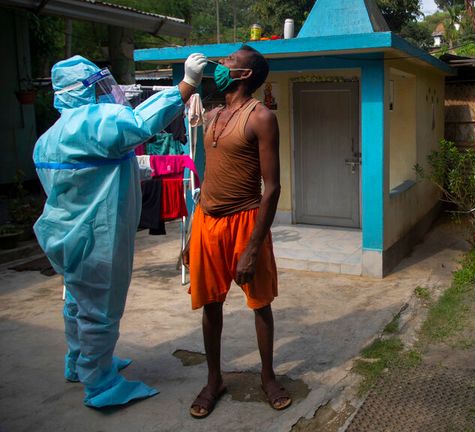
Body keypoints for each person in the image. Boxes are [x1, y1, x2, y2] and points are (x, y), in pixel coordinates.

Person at [33, 53, 207, 408]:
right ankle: (100, 384)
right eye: (97, 85)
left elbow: (95, 172)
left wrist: (143, 169)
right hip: (95, 236)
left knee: (76, 302)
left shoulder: (52, 136)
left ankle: (79, 362)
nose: (104, 92)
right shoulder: (91, 123)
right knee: (100, 309)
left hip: (64, 233)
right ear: (85, 89)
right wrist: (186, 86)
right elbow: (138, 123)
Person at [182, 45, 290, 419]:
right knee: (211, 305)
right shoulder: (212, 116)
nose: (221, 66)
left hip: (245, 222)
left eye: (229, 62)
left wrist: (253, 247)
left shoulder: (260, 117)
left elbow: (272, 187)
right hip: (207, 222)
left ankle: (268, 376)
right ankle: (214, 380)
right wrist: (190, 238)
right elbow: (208, 178)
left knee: (260, 304)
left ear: (244, 75)